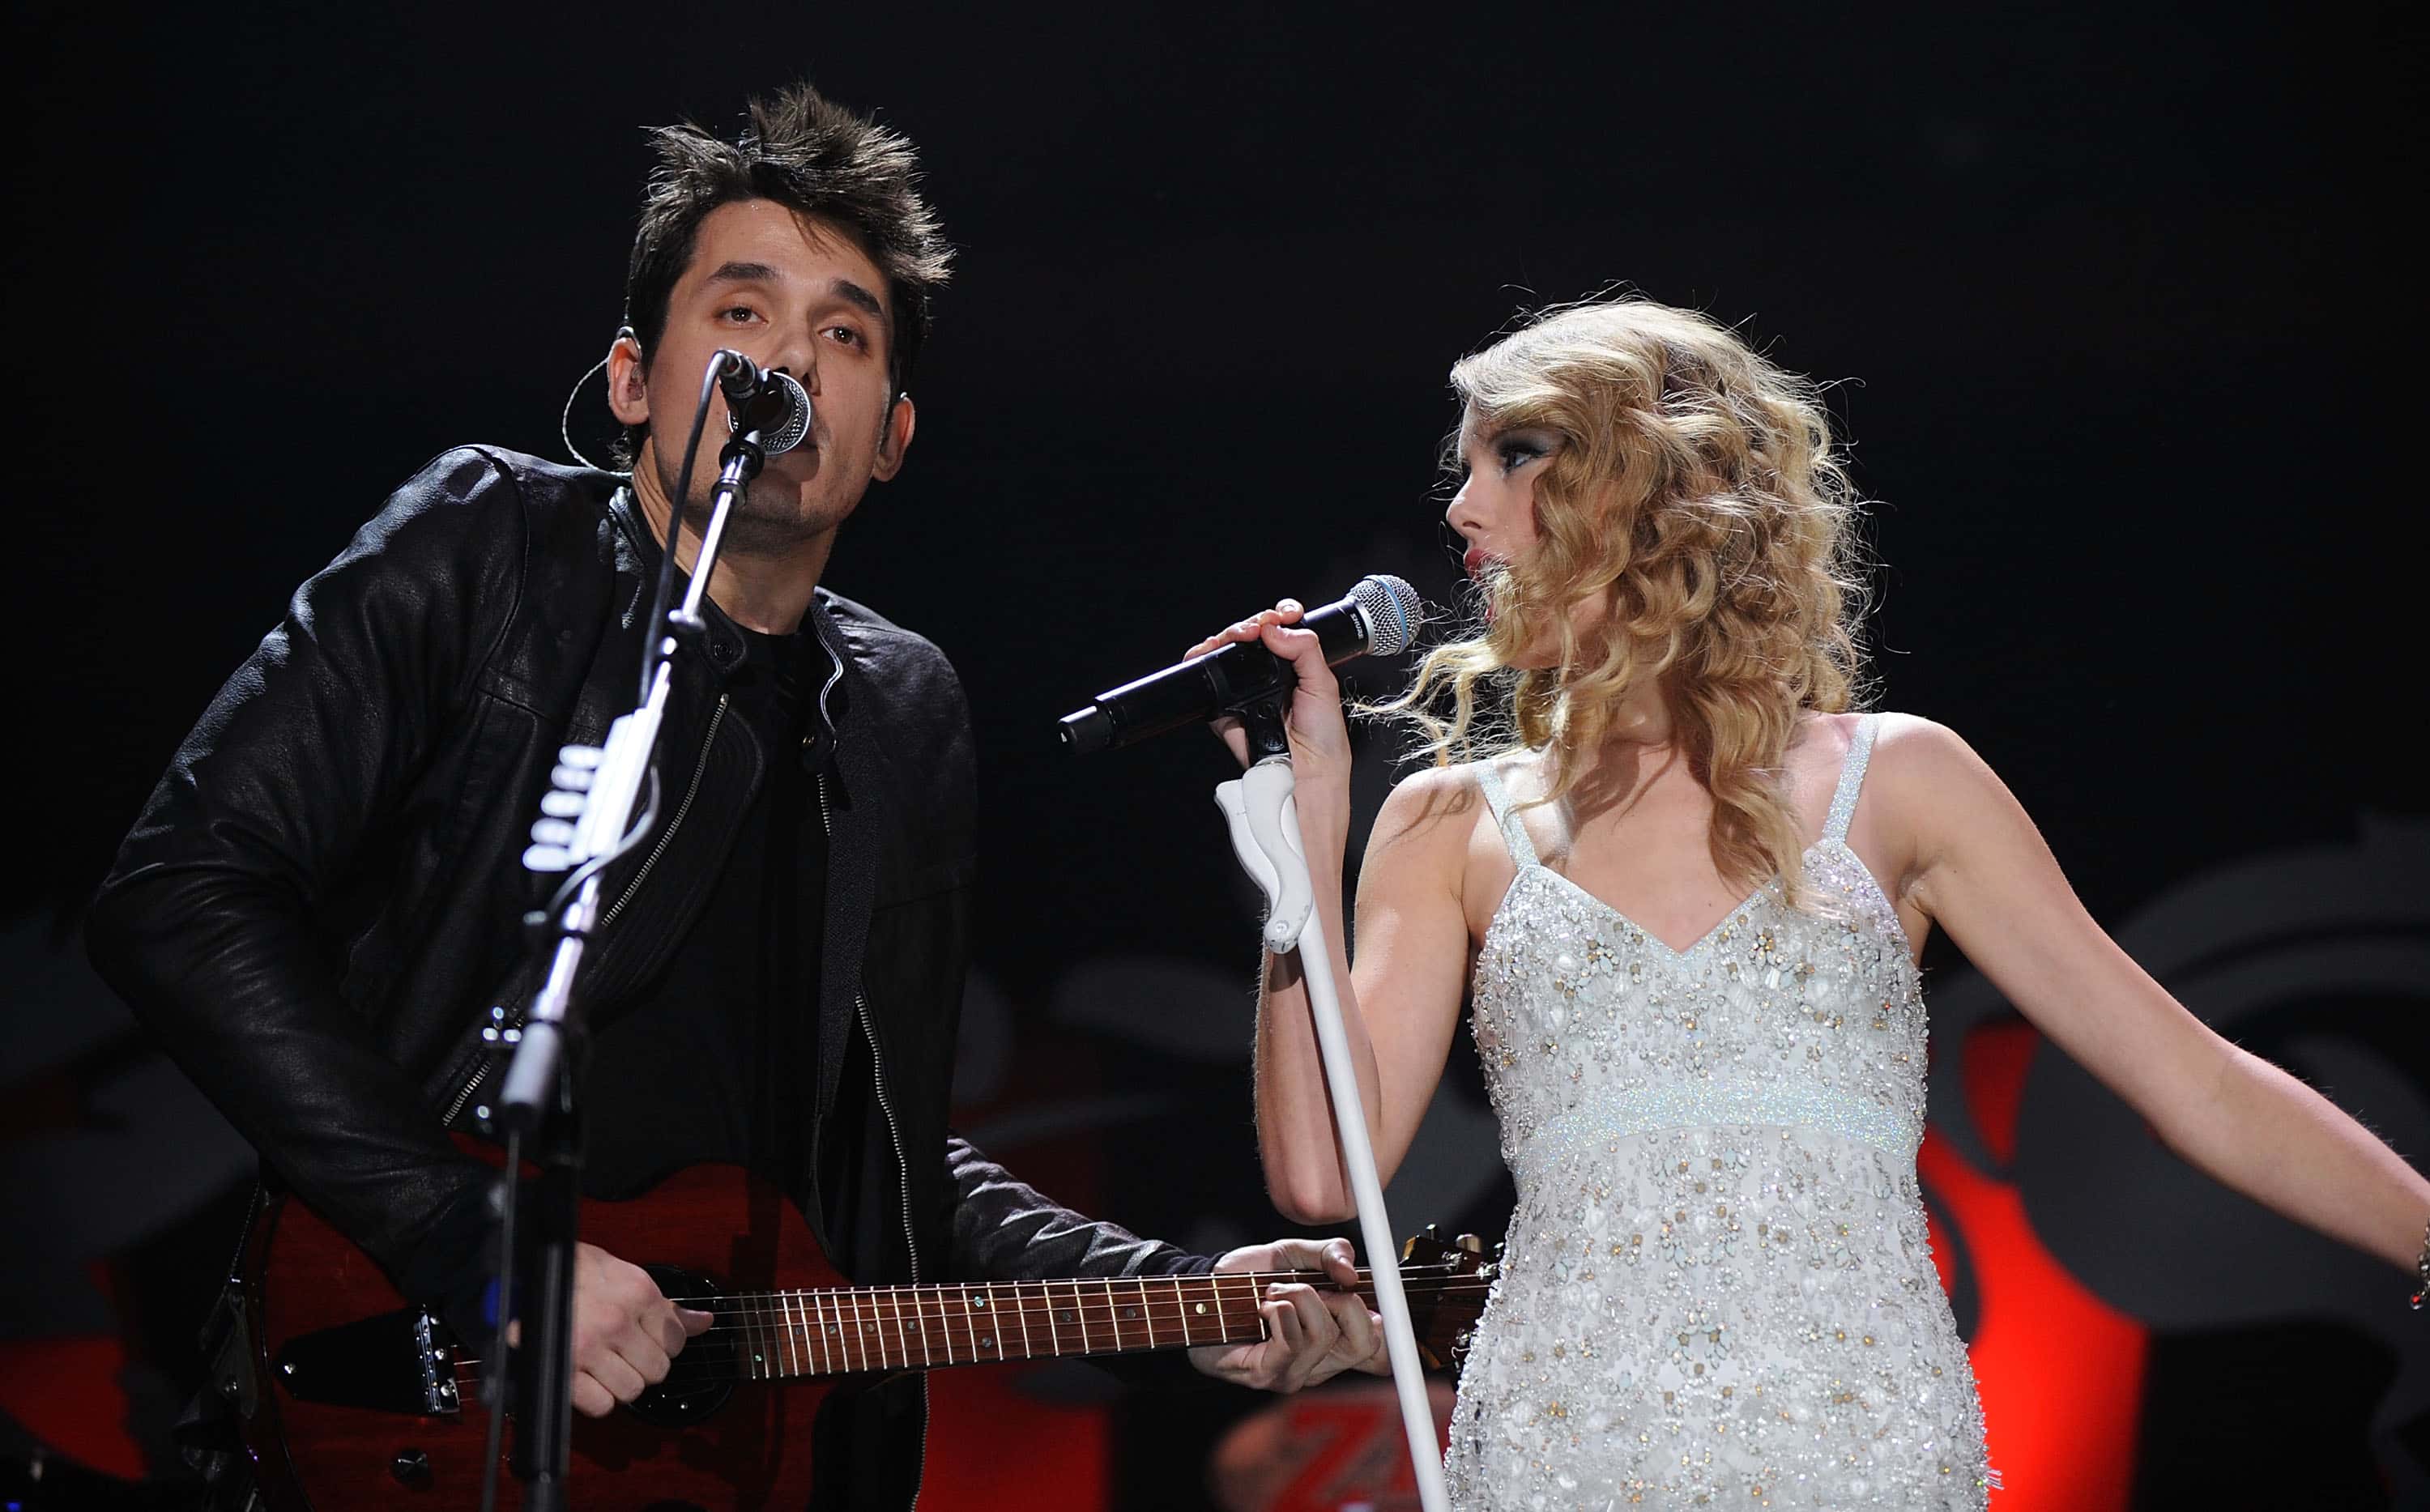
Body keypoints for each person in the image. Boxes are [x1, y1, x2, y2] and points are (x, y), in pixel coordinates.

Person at [84, 83, 1381, 1510]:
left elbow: (883, 1159)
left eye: (843, 335)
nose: (789, 365)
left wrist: (1179, 1297)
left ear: (889, 433)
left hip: (736, 1457)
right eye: (742, 315)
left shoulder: (900, 706)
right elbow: (180, 895)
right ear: (636, 378)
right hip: (412, 1373)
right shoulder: (493, 548)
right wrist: (479, 1239)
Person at [1188, 297, 2430, 1509]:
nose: (1462, 507)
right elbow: (1319, 1173)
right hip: (1562, 1440)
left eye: (1516, 455)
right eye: (1465, 468)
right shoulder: (1448, 821)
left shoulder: (1901, 778)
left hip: (1858, 1437)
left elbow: (2192, 1077)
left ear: (1661, 485)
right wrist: (1305, 828)